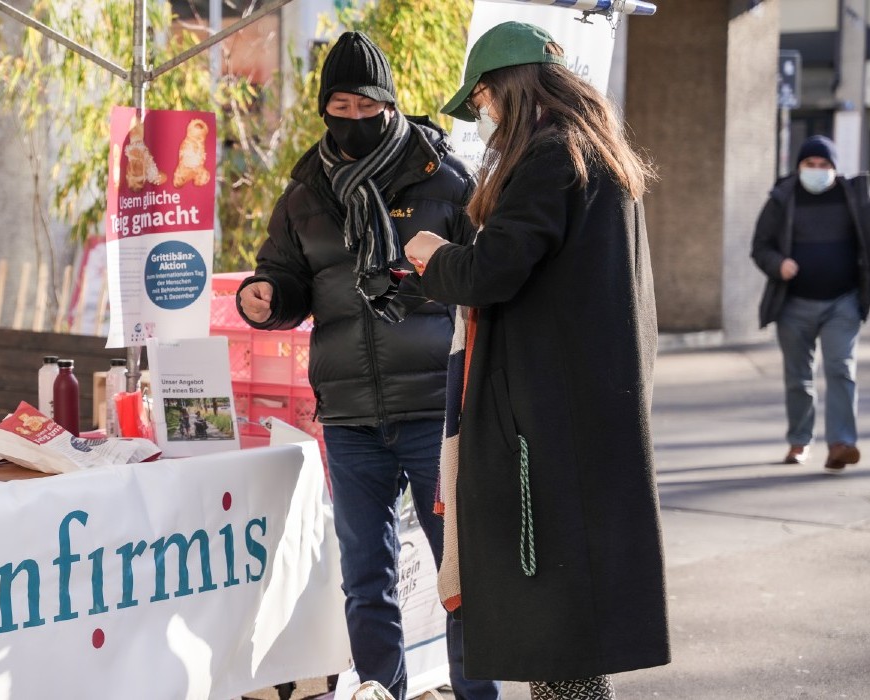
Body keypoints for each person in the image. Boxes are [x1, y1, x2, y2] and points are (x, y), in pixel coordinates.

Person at [403, 21, 669, 699]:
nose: (485, 117)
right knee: (567, 633)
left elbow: (493, 272)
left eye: (485, 99)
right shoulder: (595, 152)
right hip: (581, 416)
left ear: (509, 89)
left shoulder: (552, 155)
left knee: (559, 635)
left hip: (548, 425)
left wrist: (436, 258)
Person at [236, 31, 498, 700]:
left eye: (366, 106)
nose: (352, 119)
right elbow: (286, 275)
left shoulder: (445, 178)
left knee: (459, 575)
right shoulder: (304, 190)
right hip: (350, 412)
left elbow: (484, 275)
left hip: (433, 407)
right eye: (340, 106)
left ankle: (477, 695)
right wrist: (266, 299)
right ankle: (382, 692)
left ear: (391, 103)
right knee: (364, 578)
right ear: (326, 108)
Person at [751, 135, 868, 473]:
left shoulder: (854, 198)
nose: (817, 171)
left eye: (824, 165)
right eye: (810, 165)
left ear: (834, 168)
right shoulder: (782, 198)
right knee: (798, 377)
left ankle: (841, 445)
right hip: (793, 305)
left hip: (842, 302)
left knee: (840, 369)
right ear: (799, 166)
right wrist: (778, 264)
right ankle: (799, 441)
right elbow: (760, 246)